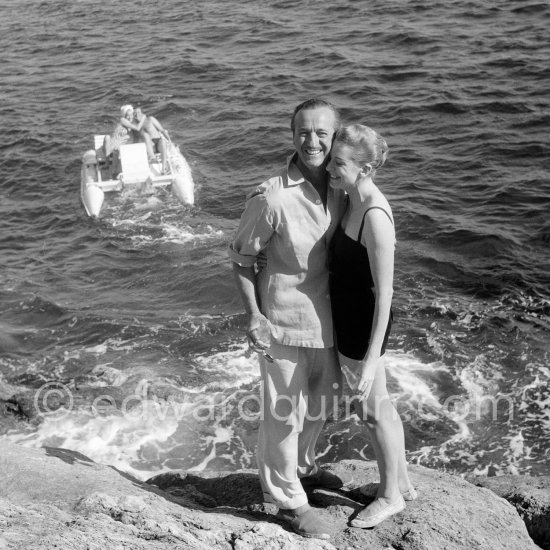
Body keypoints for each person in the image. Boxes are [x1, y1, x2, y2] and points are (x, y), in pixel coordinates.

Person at [228, 99, 349, 540]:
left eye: (322, 133)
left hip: (331, 319)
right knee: (284, 413)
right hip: (283, 321)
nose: (311, 141)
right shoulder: (272, 196)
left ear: (336, 136)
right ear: (292, 134)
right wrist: (254, 316)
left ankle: (300, 469)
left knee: (321, 406)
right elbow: (242, 260)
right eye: (303, 132)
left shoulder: (344, 185)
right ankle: (287, 500)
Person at [326, 124, 415, 529]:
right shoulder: (349, 199)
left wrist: (370, 357)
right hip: (349, 320)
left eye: (339, 162)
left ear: (364, 169)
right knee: (379, 407)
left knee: (373, 410)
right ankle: (404, 483)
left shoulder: (375, 216)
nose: (330, 167)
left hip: (365, 327)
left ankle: (390, 495)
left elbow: (385, 295)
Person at [103, 105, 147, 175]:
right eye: (127, 115)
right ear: (124, 116)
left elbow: (138, 132)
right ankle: (110, 168)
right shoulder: (123, 120)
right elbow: (137, 128)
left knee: (120, 150)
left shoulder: (132, 123)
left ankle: (116, 172)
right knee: (110, 141)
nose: (129, 117)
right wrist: (143, 118)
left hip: (123, 147)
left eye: (131, 115)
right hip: (113, 146)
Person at [133, 107, 170, 172]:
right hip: (148, 147)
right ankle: (152, 158)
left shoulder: (150, 119)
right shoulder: (135, 126)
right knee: (145, 134)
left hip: (157, 143)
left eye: (138, 112)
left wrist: (170, 141)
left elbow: (162, 130)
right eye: (134, 113)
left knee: (163, 141)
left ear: (142, 113)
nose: (137, 114)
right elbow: (135, 140)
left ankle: (164, 167)